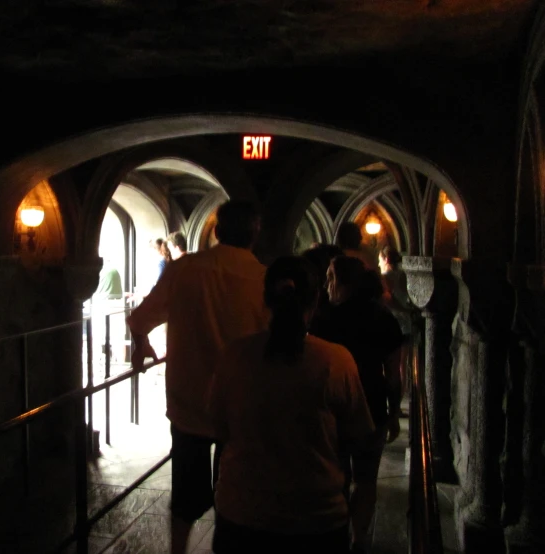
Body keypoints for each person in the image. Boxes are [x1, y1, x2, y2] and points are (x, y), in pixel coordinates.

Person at [127, 200, 270, 554]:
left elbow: (141, 318)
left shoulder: (184, 269)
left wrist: (142, 343)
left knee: (185, 493)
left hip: (188, 401)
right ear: (256, 234)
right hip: (240, 406)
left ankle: (178, 550)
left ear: (217, 232)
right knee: (235, 494)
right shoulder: (265, 280)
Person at [209, 256, 375, 553]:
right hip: (316, 519)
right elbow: (358, 439)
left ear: (265, 301)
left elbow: (220, 432)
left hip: (242, 514)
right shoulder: (335, 361)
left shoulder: (235, 356)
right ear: (313, 304)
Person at [310, 255, 404, 553]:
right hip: (372, 405)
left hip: (332, 409)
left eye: (329, 278)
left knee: (336, 476)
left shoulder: (323, 320)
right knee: (366, 480)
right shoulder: (383, 318)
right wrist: (392, 413)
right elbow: (393, 374)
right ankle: (359, 538)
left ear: (340, 281)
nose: (325, 285)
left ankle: (336, 533)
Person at [378, 246, 415, 399]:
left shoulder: (385, 277)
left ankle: (394, 401)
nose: (379, 263)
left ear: (386, 259)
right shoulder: (405, 275)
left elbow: (387, 301)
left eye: (380, 260)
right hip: (407, 324)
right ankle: (400, 400)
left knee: (390, 366)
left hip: (393, 324)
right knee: (403, 365)